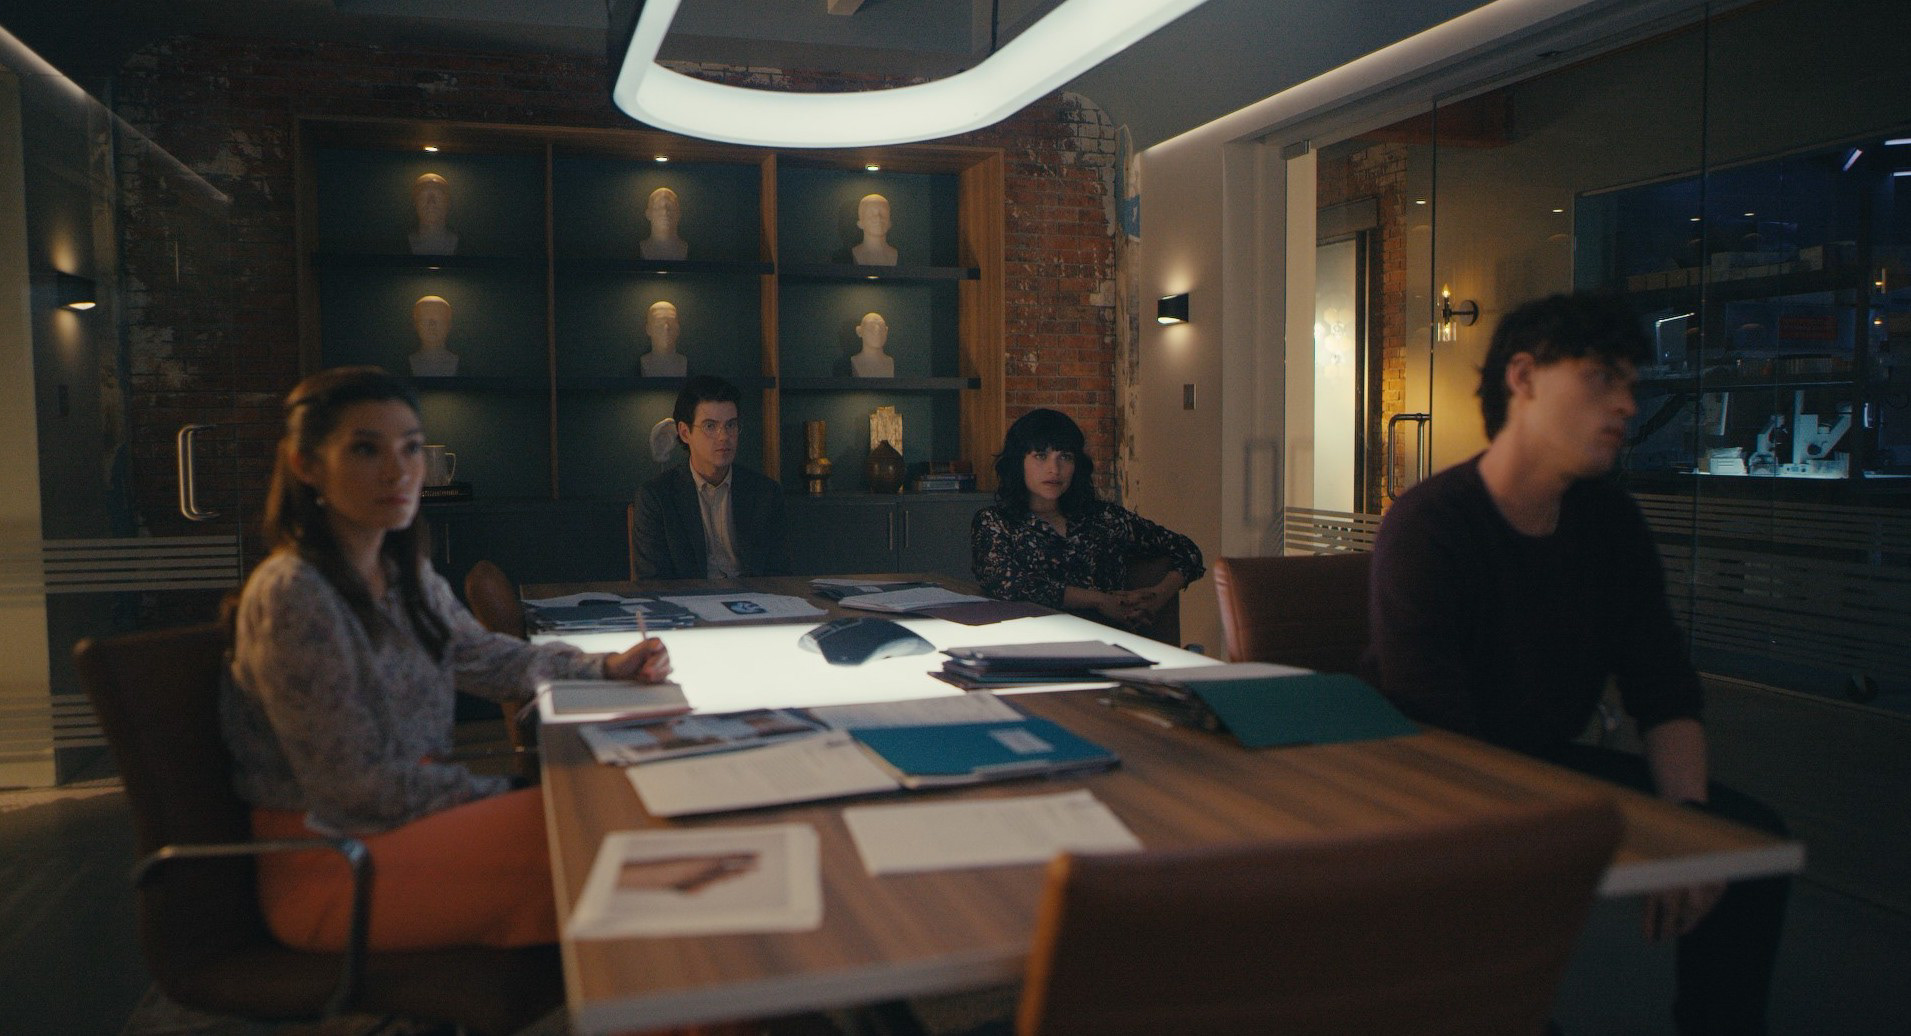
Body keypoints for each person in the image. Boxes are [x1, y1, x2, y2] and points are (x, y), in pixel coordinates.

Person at [1360, 293, 1789, 1036]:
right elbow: (1436, 728)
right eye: (1600, 378)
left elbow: (1664, 691)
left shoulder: (1608, 522)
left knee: (1745, 842)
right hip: (1425, 782)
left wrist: (1686, 824)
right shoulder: (1431, 524)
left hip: (1540, 763)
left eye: (1631, 384)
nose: (1626, 404)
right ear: (1523, 378)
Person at [220, 366, 671, 952]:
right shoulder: (295, 594)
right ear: (305, 465)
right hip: (336, 857)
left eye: (411, 448)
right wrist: (513, 790)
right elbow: (355, 789)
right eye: (365, 449)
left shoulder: (401, 574)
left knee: (614, 830)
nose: (398, 471)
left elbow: (485, 656)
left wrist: (603, 667)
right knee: (598, 837)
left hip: (413, 820)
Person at [971, 408, 1202, 630]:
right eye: (1041, 456)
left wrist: (1157, 597)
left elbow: (1187, 550)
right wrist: (1099, 600)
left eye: (1065, 457)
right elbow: (1007, 583)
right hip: (1035, 644)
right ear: (1018, 463)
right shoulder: (996, 522)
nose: (1054, 469)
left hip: (1112, 640)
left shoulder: (1105, 518)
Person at [632, 374, 791, 580]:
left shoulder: (765, 493)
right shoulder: (657, 498)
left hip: (752, 597)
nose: (724, 436)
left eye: (731, 425)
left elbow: (779, 575)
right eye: (710, 426)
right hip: (690, 598)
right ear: (685, 432)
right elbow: (654, 581)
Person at [407, 172, 458, 255]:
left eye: (438, 195)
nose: (431, 202)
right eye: (423, 196)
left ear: (448, 203)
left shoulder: (468, 248)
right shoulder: (396, 246)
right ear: (415, 203)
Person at [408, 294, 458, 377]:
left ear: (449, 325)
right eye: (425, 320)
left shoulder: (468, 366)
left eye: (439, 319)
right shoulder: (398, 367)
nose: (432, 325)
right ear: (415, 324)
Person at [640, 299, 688, 377]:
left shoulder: (683, 362)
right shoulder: (645, 362)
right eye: (659, 323)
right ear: (648, 329)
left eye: (671, 322)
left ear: (678, 329)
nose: (666, 328)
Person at [640, 186, 688, 261]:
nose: (664, 212)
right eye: (658, 207)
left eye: (670, 207)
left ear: (679, 214)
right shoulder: (630, 251)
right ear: (648, 214)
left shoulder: (696, 251)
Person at [851, 193, 897, 266]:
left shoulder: (904, 256)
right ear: (860, 223)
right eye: (871, 213)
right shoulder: (846, 256)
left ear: (889, 223)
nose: (878, 218)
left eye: (883, 213)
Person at [850, 311, 894, 378]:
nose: (877, 331)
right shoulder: (852, 362)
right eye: (871, 327)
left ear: (886, 331)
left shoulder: (893, 362)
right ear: (859, 331)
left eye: (881, 326)